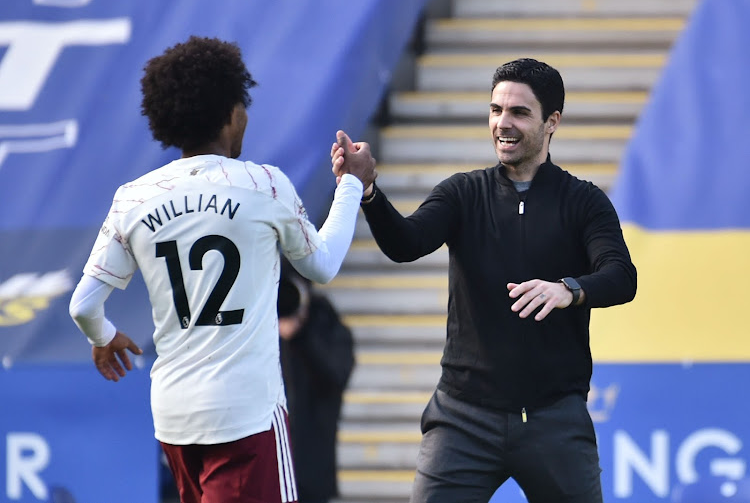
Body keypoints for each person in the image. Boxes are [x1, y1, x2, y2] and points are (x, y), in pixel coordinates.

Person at [68, 36, 375, 503]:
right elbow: (323, 265)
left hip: (174, 417)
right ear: (232, 114)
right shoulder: (263, 184)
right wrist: (352, 185)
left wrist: (103, 338)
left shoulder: (132, 197)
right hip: (246, 414)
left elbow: (84, 304)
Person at [331, 58, 637, 503]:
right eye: (496, 110)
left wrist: (568, 289)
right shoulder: (462, 192)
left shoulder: (583, 200)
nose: (502, 124)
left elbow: (621, 276)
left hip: (554, 419)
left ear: (552, 122)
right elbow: (406, 244)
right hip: (462, 418)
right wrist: (370, 192)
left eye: (518, 113)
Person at [277, 260, 354, 503]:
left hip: (313, 475)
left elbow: (334, 377)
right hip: (269, 470)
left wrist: (301, 333)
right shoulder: (258, 330)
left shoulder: (325, 323)